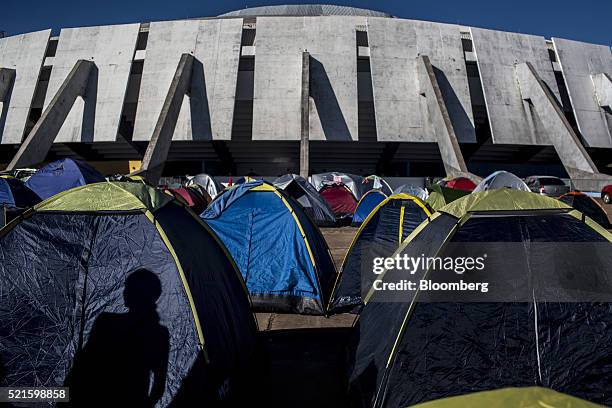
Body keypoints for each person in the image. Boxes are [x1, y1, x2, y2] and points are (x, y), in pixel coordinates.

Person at [66, 269, 170, 408]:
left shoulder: (107, 322)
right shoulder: (159, 335)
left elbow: (82, 367)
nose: (124, 293)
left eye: (129, 288)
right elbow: (159, 385)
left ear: (140, 293)